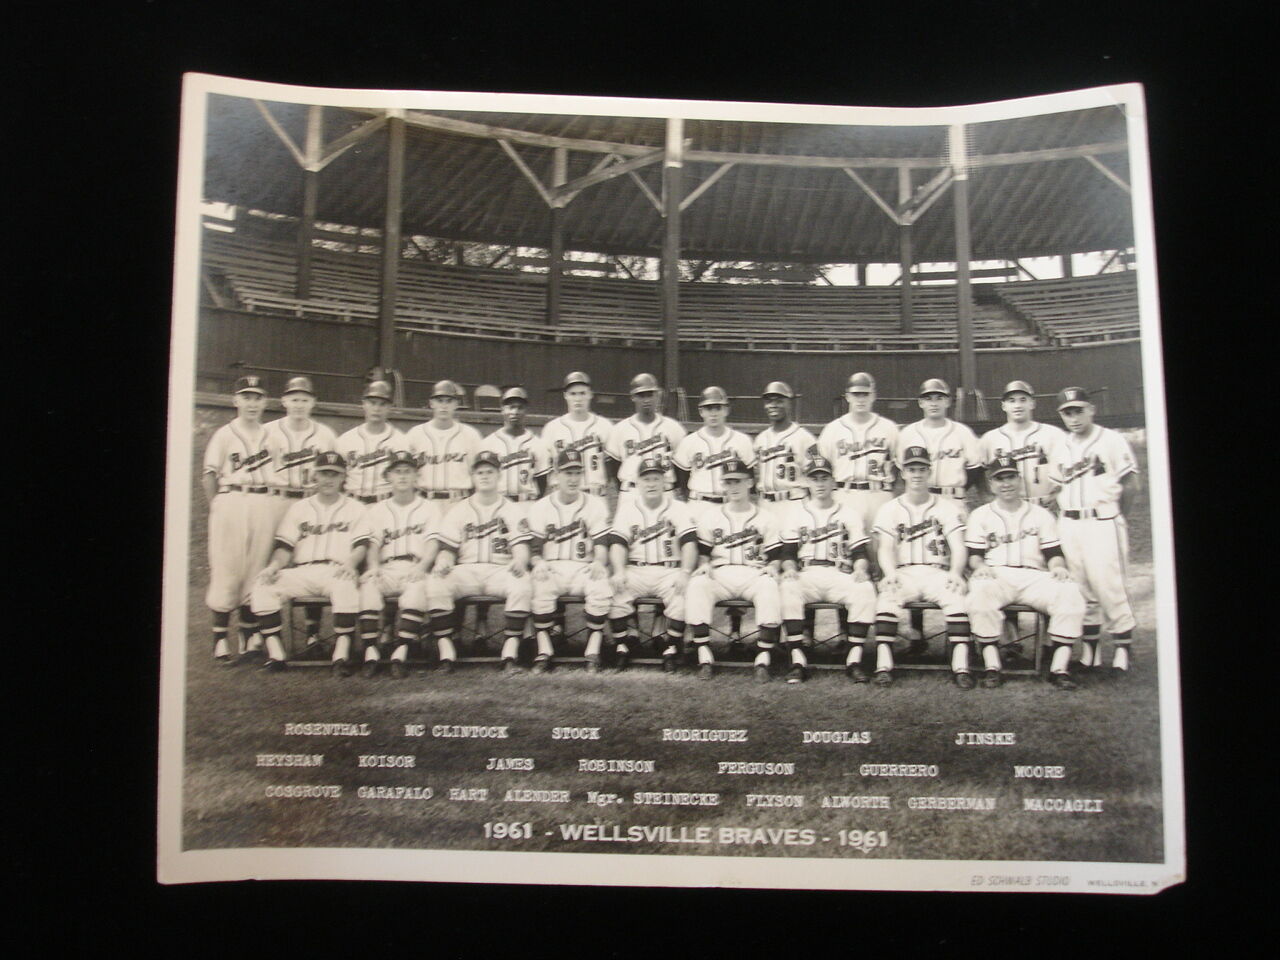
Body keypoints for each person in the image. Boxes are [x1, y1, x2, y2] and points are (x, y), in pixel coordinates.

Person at [398, 451, 532, 673]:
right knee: (436, 582)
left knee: (522, 583)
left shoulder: (512, 509)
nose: (485, 476)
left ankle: (510, 654)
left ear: (499, 475)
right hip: (466, 570)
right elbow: (448, 549)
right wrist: (443, 561)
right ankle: (446, 653)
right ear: (472, 476)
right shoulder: (459, 509)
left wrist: (519, 560)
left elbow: (521, 547)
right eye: (480, 472)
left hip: (500, 569)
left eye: (490, 472)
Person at [966, 455, 1087, 690]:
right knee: (980, 594)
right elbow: (974, 554)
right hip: (997, 574)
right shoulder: (980, 515)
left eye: (1010, 477)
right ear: (991, 484)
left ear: (1019, 480)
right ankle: (992, 667)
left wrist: (1058, 568)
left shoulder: (1041, 514)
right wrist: (980, 567)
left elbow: (1053, 552)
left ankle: (1058, 669)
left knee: (1070, 591)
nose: (1006, 483)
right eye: (999, 479)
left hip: (1035, 577)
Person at [249, 452, 372, 676]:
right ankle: (276, 655)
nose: (329, 479)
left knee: (346, 586)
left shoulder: (356, 508)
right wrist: (274, 566)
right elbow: (285, 547)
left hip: (336, 570)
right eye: (324, 473)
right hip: (303, 571)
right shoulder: (299, 508)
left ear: (343, 477)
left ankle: (341, 655)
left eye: (334, 474)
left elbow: (361, 545)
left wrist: (351, 564)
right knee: (263, 585)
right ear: (315, 475)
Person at [1047, 386, 1141, 676]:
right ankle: (1091, 654)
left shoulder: (1111, 440)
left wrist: (1114, 516)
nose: (1073, 417)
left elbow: (1132, 485)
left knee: (1109, 586)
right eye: (1067, 412)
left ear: (1091, 409)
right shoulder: (1061, 446)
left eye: (1078, 410)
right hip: (1069, 523)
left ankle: (1123, 651)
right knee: (1081, 588)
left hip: (1102, 521)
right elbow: (1056, 486)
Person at [871, 446, 973, 687]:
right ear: (903, 473)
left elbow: (958, 546)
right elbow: (884, 548)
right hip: (904, 571)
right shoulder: (890, 508)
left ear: (929, 472)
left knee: (956, 597)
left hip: (937, 571)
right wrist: (890, 573)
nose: (916, 474)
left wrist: (956, 573)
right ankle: (883, 666)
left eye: (921, 469)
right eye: (911, 469)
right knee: (888, 597)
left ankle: (961, 668)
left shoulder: (948, 507)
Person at [778, 454, 878, 684]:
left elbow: (859, 553)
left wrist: (860, 569)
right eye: (815, 478)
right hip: (807, 573)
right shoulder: (796, 513)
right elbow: (787, 553)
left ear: (834, 482)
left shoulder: (849, 513)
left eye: (824, 478)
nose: (820, 483)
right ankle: (797, 660)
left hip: (839, 573)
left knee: (864, 590)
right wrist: (790, 568)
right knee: (788, 587)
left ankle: (854, 660)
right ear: (808, 483)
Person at [685, 459, 783, 681]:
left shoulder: (766, 517)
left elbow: (775, 555)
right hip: (721, 573)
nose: (733, 487)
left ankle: (763, 660)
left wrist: (773, 567)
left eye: (738, 481)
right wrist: (703, 565)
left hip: (754, 573)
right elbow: (704, 552)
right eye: (728, 482)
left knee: (769, 587)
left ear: (749, 483)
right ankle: (704, 656)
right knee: (698, 584)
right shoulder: (711, 516)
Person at [201, 375, 277, 663]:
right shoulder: (224, 433)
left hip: (261, 499)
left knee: (256, 567)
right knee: (226, 566)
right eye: (246, 397)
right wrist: (217, 505)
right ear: (236, 401)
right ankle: (220, 638)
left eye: (257, 397)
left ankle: (248, 636)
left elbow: (279, 472)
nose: (252, 403)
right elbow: (209, 475)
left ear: (264, 402)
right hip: (231, 499)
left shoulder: (272, 436)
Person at [264, 375, 340, 651]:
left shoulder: (325, 434)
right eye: (294, 398)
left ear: (313, 402)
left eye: (304, 399)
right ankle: (256, 634)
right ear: (284, 401)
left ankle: (312, 633)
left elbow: (337, 471)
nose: (299, 404)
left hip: (312, 500)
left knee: (312, 560)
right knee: (270, 560)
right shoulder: (268, 432)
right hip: (277, 499)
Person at [524, 450, 613, 673]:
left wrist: (599, 562)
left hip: (583, 568)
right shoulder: (540, 507)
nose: (573, 479)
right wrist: (537, 561)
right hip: (552, 567)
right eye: (567, 473)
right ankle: (544, 650)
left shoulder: (595, 505)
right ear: (556, 475)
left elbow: (602, 544)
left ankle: (592, 651)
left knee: (600, 585)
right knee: (539, 585)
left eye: (577, 473)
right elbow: (534, 549)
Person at [356, 451, 443, 678]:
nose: (403, 476)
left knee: (417, 591)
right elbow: (373, 544)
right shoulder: (376, 510)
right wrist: (373, 567)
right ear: (388, 477)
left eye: (408, 471)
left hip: (415, 565)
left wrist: (422, 567)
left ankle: (400, 653)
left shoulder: (430, 508)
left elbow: (432, 544)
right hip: (386, 567)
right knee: (368, 587)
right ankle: (371, 653)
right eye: (397, 472)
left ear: (416, 477)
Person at [607, 456, 698, 672]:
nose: (651, 484)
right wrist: (619, 571)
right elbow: (618, 544)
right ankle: (622, 646)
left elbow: (689, 544)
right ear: (637, 483)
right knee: (613, 590)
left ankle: (671, 648)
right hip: (636, 568)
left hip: (669, 569)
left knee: (684, 594)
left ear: (664, 483)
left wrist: (685, 572)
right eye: (646, 479)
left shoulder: (678, 508)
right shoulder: (627, 509)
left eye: (656, 478)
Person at [816, 372, 899, 537]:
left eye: (865, 394)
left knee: (881, 546)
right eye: (856, 394)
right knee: (846, 545)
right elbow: (821, 468)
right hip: (844, 494)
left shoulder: (889, 428)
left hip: (879, 495)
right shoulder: (832, 429)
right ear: (847, 397)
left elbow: (899, 466)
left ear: (873, 396)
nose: (861, 399)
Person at [895, 378, 983, 508]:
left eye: (939, 398)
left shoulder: (963, 432)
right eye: (928, 399)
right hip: (920, 499)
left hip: (953, 499)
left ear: (947, 401)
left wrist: (958, 488)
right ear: (920, 403)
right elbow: (901, 469)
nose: (934, 403)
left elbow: (974, 469)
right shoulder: (907, 433)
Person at [672, 386, 757, 520]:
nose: (713, 413)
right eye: (708, 408)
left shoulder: (742, 440)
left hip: (731, 503)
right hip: (699, 503)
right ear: (701, 411)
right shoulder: (689, 442)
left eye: (718, 407)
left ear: (726, 410)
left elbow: (750, 477)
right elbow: (681, 479)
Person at [979, 380, 1065, 508]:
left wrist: (1059, 494)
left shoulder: (1053, 434)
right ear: (1004, 406)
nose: (1018, 405)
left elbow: (1070, 467)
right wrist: (986, 495)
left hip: (1046, 505)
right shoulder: (990, 438)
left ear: (1032, 403)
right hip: (1009, 507)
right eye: (1012, 401)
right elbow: (978, 471)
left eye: (1023, 400)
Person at [606, 373, 686, 509]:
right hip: (632, 491)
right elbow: (614, 467)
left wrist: (670, 485)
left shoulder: (674, 428)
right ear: (633, 397)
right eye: (641, 395)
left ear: (658, 395)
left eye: (650, 394)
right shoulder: (620, 429)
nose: (646, 399)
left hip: (665, 491)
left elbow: (681, 466)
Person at [475, 386, 551, 510]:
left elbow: (542, 482)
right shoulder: (488, 444)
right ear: (502, 409)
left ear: (526, 410)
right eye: (510, 407)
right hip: (498, 503)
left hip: (527, 503)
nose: (515, 411)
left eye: (519, 407)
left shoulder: (538, 444)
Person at [405, 379, 482, 502]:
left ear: (456, 404)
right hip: (425, 501)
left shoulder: (471, 435)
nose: (444, 405)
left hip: (459, 501)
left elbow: (479, 474)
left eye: (449, 401)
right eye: (439, 400)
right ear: (431, 403)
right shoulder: (415, 434)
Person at [540, 371, 614, 497]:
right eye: (573, 394)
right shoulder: (552, 428)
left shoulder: (605, 426)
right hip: (562, 496)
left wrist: (603, 482)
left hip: (595, 494)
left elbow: (611, 463)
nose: (578, 399)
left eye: (582, 393)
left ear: (590, 394)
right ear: (565, 395)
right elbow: (544, 466)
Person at [752, 381, 816, 520]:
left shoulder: (805, 438)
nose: (773, 405)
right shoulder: (760, 439)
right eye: (769, 401)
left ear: (789, 403)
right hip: (765, 505)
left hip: (793, 504)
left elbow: (817, 474)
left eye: (779, 401)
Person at [338, 379, 405, 506]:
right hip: (352, 503)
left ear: (390, 407)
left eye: (382, 404)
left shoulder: (401, 441)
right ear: (364, 404)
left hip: (385, 504)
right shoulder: (345, 440)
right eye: (372, 403)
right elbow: (337, 478)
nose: (377, 408)